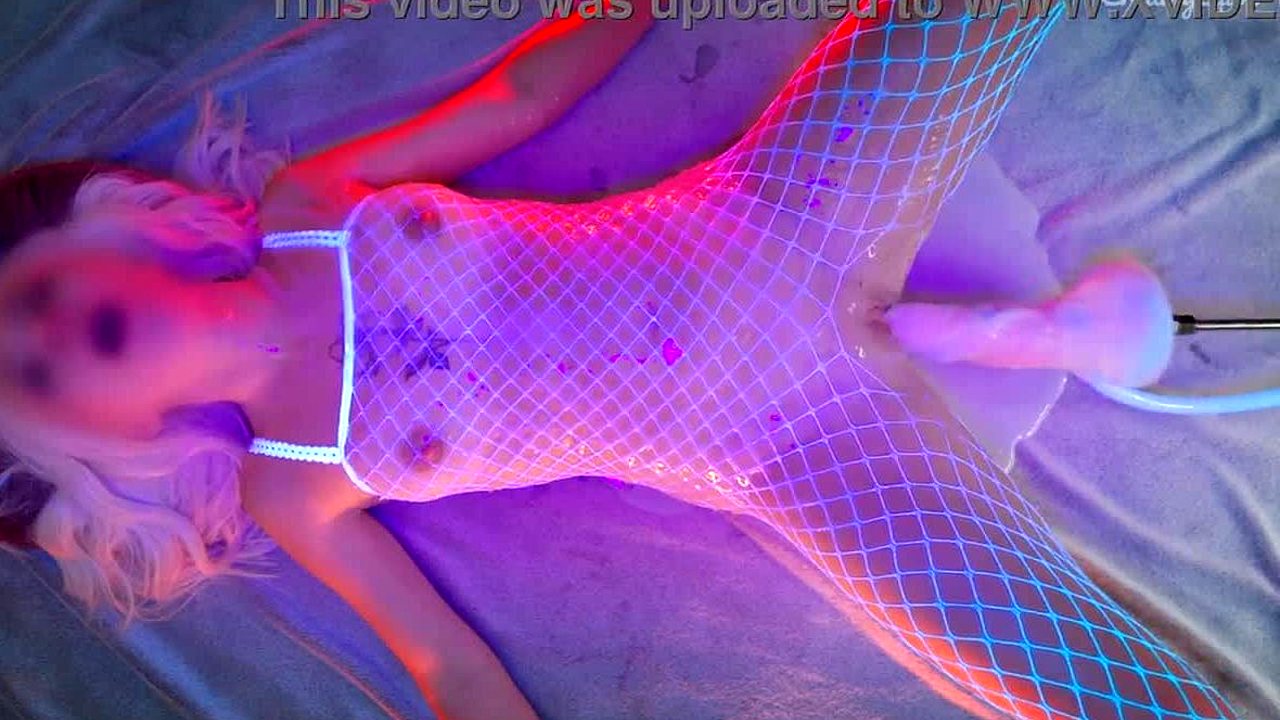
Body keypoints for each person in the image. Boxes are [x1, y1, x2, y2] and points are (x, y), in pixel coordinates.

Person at [0, 3, 1239, 719]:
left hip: (781, 215)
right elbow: (441, 659)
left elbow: (515, 98)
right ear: (96, 451)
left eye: (37, 298)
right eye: (37, 378)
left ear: (97, 230)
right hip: (795, 448)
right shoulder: (292, 480)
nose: (52, 335)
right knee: (1080, 689)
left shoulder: (310, 204)